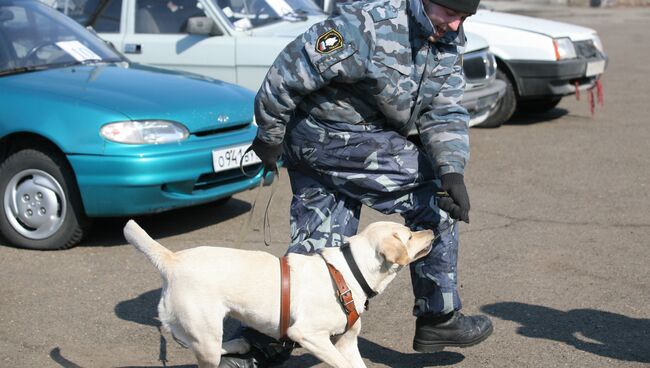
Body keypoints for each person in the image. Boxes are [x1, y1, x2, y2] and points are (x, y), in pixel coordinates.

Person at [220, 0, 492, 366]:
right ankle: (438, 315)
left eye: (465, 18)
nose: (456, 25)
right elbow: (287, 71)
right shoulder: (366, 25)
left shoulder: (445, 38)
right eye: (450, 13)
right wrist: (269, 135)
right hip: (324, 134)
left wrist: (453, 171)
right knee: (434, 196)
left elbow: (443, 110)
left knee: (320, 248)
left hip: (358, 139)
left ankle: (257, 347)